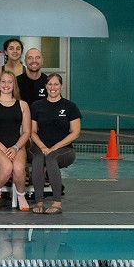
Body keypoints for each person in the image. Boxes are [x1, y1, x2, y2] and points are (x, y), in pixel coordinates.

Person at [29, 74, 81, 214]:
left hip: (64, 150)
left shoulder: (70, 106)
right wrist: (43, 147)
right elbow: (32, 132)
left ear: (61, 86)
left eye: (56, 84)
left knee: (51, 158)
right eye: (50, 84)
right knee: (38, 159)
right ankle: (39, 201)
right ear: (46, 86)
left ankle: (57, 202)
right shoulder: (36, 106)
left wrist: (54, 147)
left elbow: (75, 132)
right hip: (40, 147)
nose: (53, 87)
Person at [0, 71, 31, 211]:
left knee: (19, 169)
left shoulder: (23, 105)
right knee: (7, 167)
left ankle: (21, 195)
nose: (6, 85)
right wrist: (3, 149)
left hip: (17, 146)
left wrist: (15, 147)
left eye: (10, 82)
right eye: (3, 81)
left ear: (14, 85)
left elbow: (27, 132)